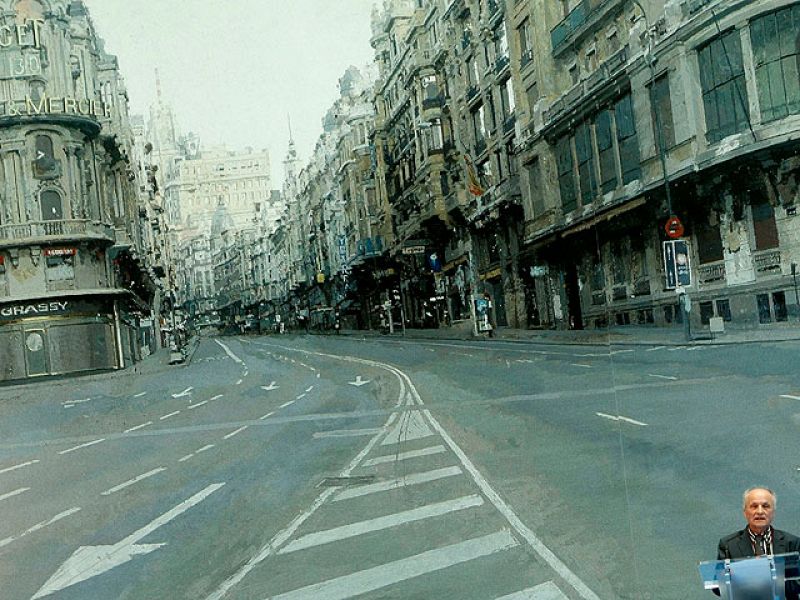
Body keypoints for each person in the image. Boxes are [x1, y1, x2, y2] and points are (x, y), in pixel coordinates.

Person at [715, 487, 800, 598]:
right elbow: (717, 587)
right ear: (745, 512)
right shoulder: (728, 545)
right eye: (754, 506)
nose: (760, 511)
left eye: (765, 506)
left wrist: (768, 582)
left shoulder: (792, 542)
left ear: (773, 511)